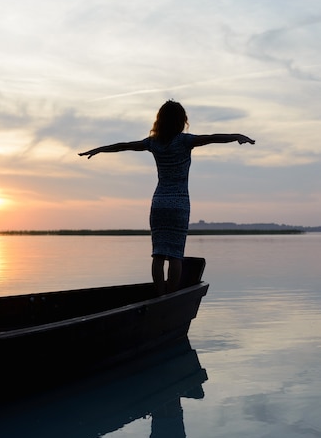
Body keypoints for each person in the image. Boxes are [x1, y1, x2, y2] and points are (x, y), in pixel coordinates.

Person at [79, 100, 255, 295]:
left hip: (159, 203)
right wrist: (236, 136)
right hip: (179, 204)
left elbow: (124, 146)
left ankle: (159, 294)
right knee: (175, 255)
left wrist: (99, 149)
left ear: (160, 121)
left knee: (159, 254)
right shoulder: (185, 141)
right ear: (181, 121)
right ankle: (171, 297)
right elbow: (212, 138)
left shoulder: (153, 143)